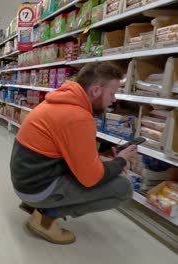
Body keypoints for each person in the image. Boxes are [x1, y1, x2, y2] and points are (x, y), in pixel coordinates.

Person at [10, 62, 137, 245]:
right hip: (37, 189)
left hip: (27, 181)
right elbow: (91, 178)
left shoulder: (61, 102)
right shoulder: (78, 117)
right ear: (95, 91)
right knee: (123, 188)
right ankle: (45, 217)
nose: (114, 100)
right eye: (112, 93)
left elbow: (65, 151)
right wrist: (120, 162)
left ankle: (40, 206)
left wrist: (101, 158)